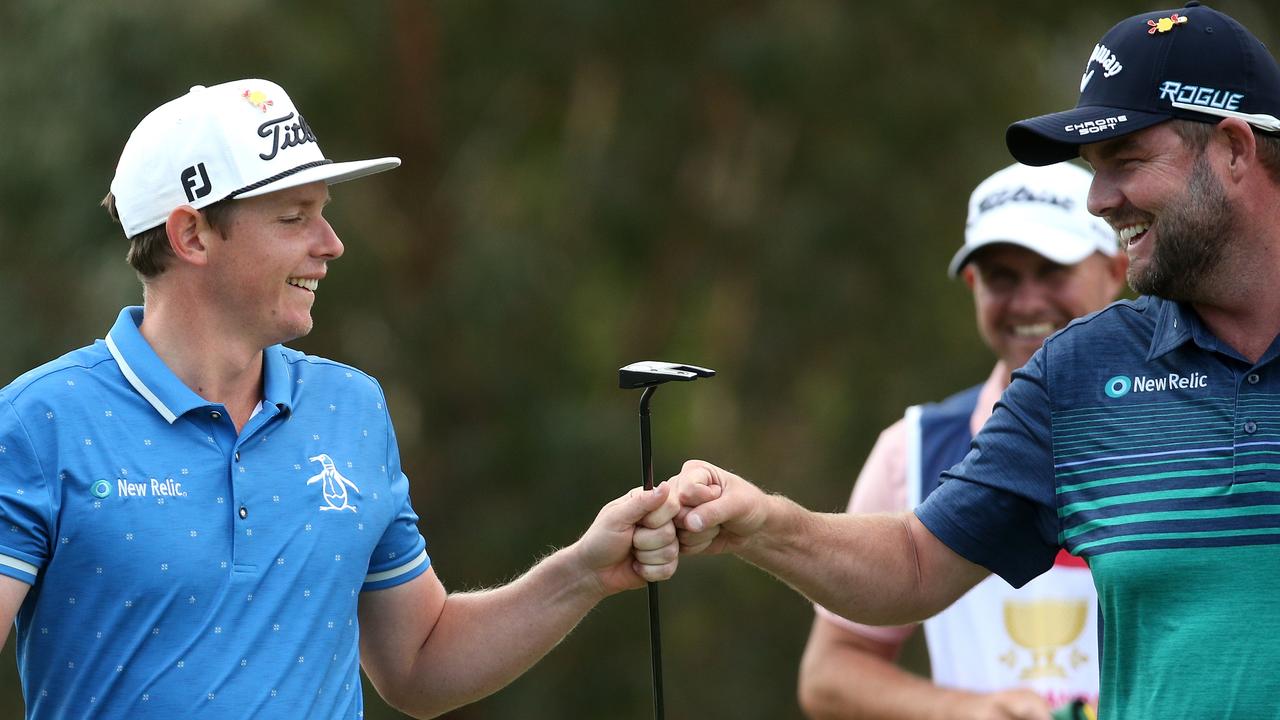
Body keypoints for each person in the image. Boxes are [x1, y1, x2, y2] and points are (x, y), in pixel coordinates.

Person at [660, 4, 1280, 717]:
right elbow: (916, 565)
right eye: (1092, 170)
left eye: (1128, 162)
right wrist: (766, 522)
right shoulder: (1080, 371)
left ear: (1234, 151)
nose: (1099, 200)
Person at [0, 79, 679, 719]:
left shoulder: (350, 408)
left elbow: (417, 662)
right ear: (191, 235)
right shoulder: (40, 424)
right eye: (295, 217)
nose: (331, 245)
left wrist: (584, 571)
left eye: (324, 215)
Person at [797, 162, 1125, 720]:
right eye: (1002, 277)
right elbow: (831, 673)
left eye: (1053, 271)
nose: (1027, 303)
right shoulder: (914, 448)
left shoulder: (1193, 426)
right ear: (973, 285)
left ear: (1116, 270)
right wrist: (962, 710)